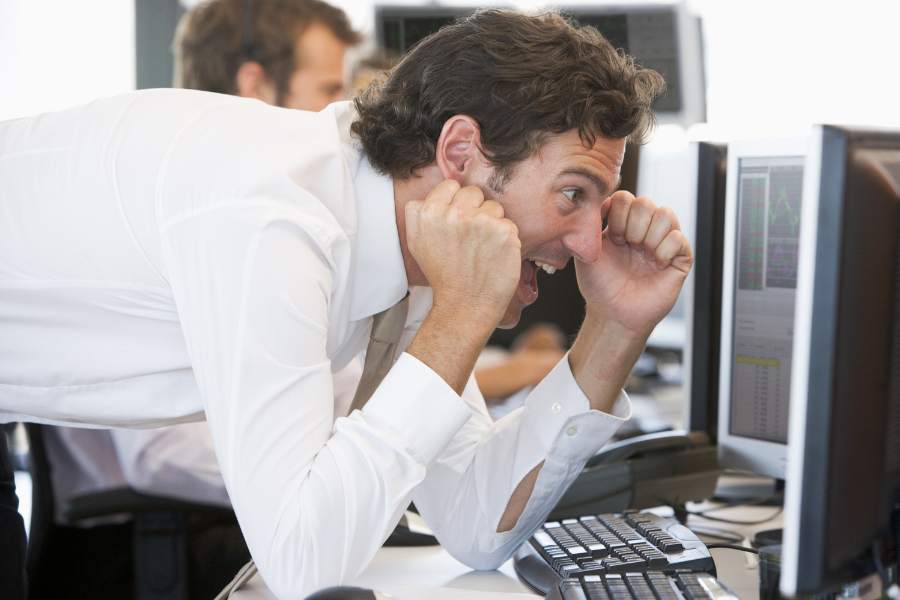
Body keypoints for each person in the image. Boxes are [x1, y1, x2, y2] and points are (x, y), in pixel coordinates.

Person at [0, 9, 689, 600]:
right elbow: (302, 564)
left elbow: (477, 523)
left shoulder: (398, 236)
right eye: (573, 194)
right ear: (460, 153)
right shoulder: (273, 217)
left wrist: (613, 331)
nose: (591, 244)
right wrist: (459, 317)